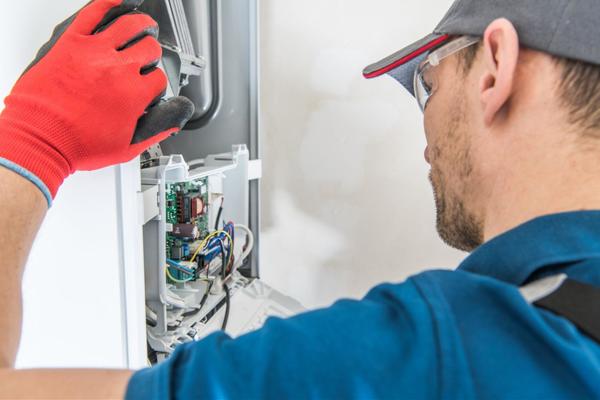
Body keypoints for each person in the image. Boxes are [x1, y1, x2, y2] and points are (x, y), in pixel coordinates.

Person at [1, 0, 599, 398]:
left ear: (494, 68)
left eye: (428, 84)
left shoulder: (433, 359)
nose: (426, 133)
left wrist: (34, 141)